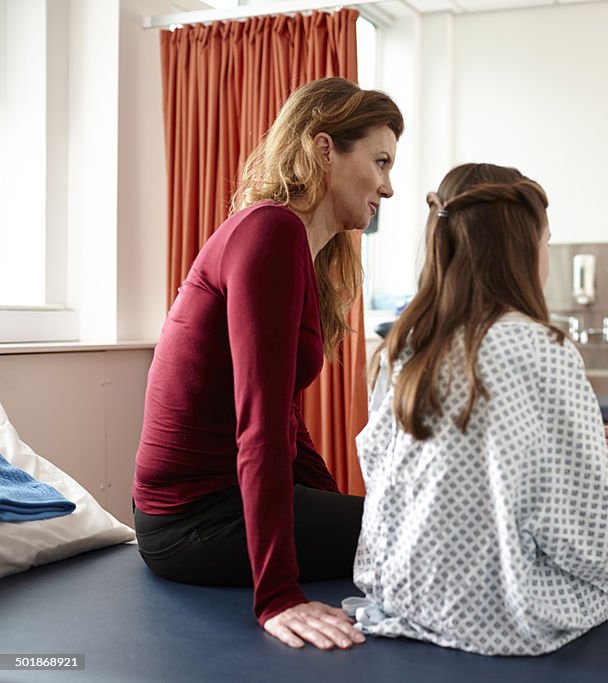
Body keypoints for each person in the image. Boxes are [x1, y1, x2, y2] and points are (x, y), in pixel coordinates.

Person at [132, 77, 404, 650]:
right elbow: (258, 424)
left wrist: (334, 507)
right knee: (425, 529)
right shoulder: (271, 231)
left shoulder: (296, 247)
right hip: (194, 521)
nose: (388, 186)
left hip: (212, 507)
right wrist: (277, 595)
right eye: (380, 162)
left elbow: (285, 418)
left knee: (399, 523)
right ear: (325, 147)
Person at [349, 163, 608, 656]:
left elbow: (382, 471)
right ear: (521, 250)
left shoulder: (406, 346)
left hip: (405, 594)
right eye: (546, 242)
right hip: (497, 614)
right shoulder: (540, 347)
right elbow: (581, 518)